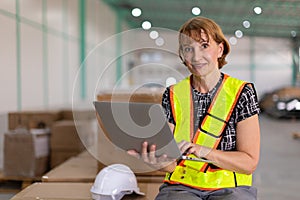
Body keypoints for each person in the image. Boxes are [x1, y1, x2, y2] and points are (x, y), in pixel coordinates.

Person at [128, 16, 260, 200]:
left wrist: (205, 151)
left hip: (231, 189)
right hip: (181, 187)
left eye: (204, 46)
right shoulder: (173, 94)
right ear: (182, 55)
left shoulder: (241, 93)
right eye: (188, 49)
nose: (196, 57)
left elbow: (249, 162)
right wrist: (155, 160)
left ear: (220, 49)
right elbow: (171, 165)